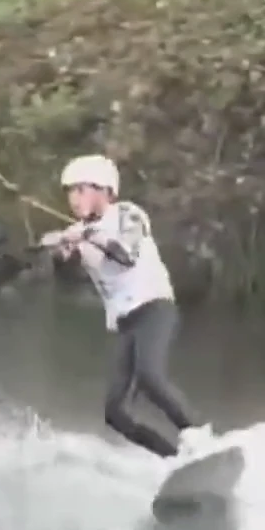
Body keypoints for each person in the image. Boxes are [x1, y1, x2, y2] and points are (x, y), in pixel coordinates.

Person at [41, 154, 218, 462]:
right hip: (125, 323)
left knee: (150, 377)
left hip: (155, 309)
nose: (73, 198)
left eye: (80, 190)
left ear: (104, 190)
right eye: (70, 192)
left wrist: (85, 235)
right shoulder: (80, 233)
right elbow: (67, 280)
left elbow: (125, 254)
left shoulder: (128, 215)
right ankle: (172, 459)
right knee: (115, 413)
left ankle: (200, 435)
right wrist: (60, 253)